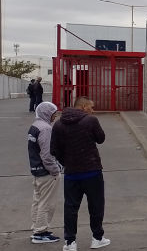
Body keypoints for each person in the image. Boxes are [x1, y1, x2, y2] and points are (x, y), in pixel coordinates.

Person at [51, 97, 111, 250]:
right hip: (92, 171)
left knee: (71, 207)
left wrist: (67, 162)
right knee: (96, 205)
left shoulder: (58, 124)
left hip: (71, 173)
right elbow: (101, 139)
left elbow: (54, 150)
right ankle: (97, 238)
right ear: (83, 107)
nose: (93, 110)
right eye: (91, 107)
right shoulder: (90, 120)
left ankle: (70, 242)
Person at [27, 102, 61, 244]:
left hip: (36, 170)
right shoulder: (46, 129)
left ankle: (36, 228)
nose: (55, 116)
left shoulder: (35, 126)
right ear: (47, 113)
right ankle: (40, 232)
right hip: (46, 173)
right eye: (54, 113)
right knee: (46, 203)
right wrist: (56, 170)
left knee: (38, 201)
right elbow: (47, 155)